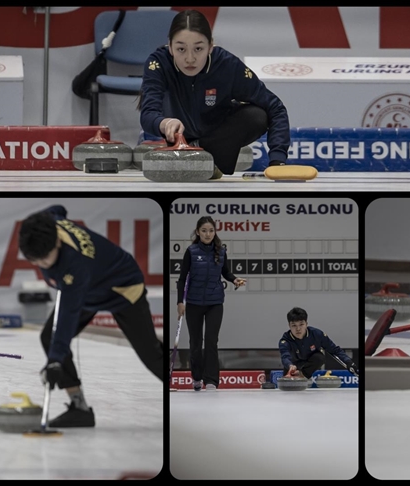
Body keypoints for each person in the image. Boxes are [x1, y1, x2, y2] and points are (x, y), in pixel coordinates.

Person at [18, 205, 165, 427]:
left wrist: (55, 361)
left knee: (151, 354)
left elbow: (67, 317)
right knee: (48, 337)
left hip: (122, 288)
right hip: (90, 288)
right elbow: (59, 209)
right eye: (34, 261)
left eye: (44, 260)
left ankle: (183, 391)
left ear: (57, 242)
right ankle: (79, 408)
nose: (41, 265)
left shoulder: (73, 266)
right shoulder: (49, 223)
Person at [139, 9, 291, 178]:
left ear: (211, 46)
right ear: (170, 47)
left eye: (198, 48)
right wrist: (164, 122)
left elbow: (275, 108)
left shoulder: (227, 65)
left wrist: (278, 161)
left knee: (257, 116)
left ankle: (208, 159)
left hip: (216, 141)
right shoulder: (158, 63)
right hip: (179, 143)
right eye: (181, 49)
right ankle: (200, 161)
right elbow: (147, 114)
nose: (190, 58)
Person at [176, 216, 246, 391]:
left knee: (211, 341)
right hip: (193, 303)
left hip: (215, 302)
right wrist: (179, 302)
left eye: (211, 230)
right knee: (195, 343)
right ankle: (197, 378)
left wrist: (234, 279)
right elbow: (182, 278)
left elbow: (226, 272)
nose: (208, 234)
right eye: (204, 231)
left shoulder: (221, 251)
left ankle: (212, 381)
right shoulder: (191, 251)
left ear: (215, 232)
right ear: (198, 232)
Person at [278, 307, 359, 379]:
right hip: (292, 366)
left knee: (320, 357)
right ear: (289, 325)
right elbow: (285, 356)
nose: (298, 329)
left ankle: (302, 374)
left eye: (301, 324)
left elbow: (334, 350)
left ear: (306, 324)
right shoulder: (285, 340)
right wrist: (290, 365)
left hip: (309, 364)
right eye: (294, 325)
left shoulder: (317, 334)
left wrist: (348, 362)